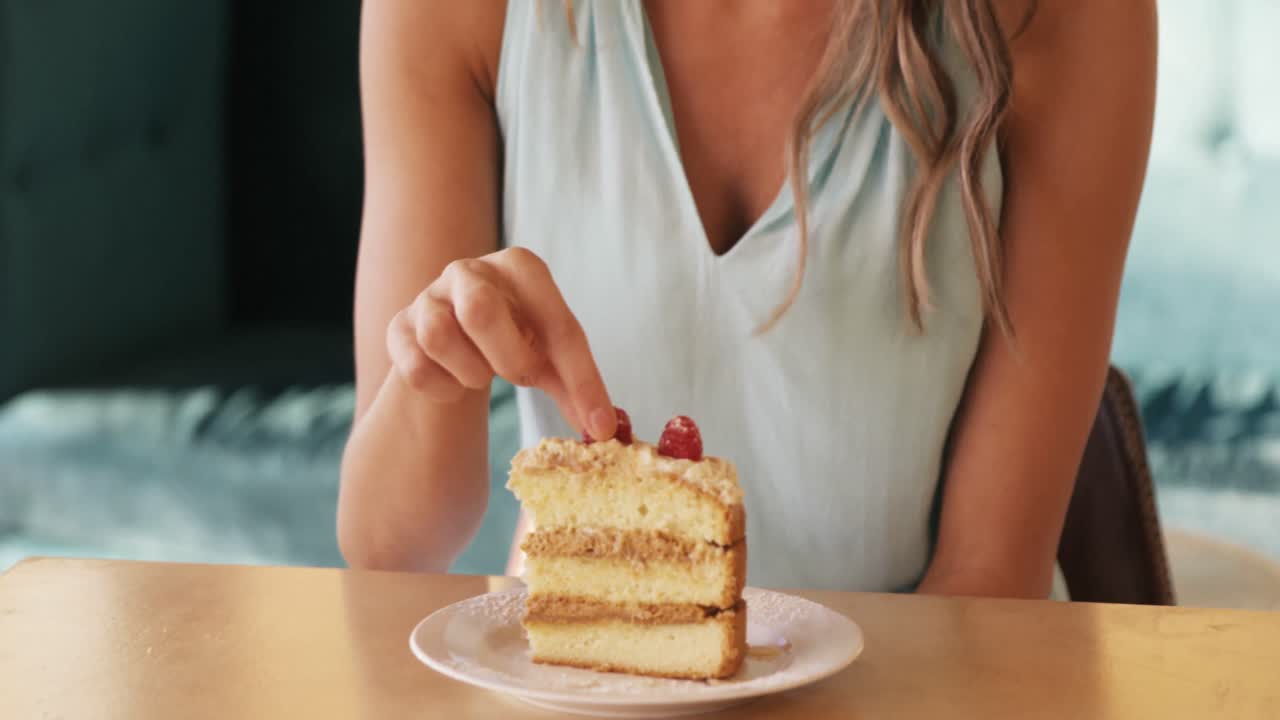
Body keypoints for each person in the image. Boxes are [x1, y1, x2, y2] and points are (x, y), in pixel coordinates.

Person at [337, 0, 1157, 599]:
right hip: (582, 680)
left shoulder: (1068, 16)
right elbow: (385, 547)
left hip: (922, 682)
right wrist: (436, 369)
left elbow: (988, 578)